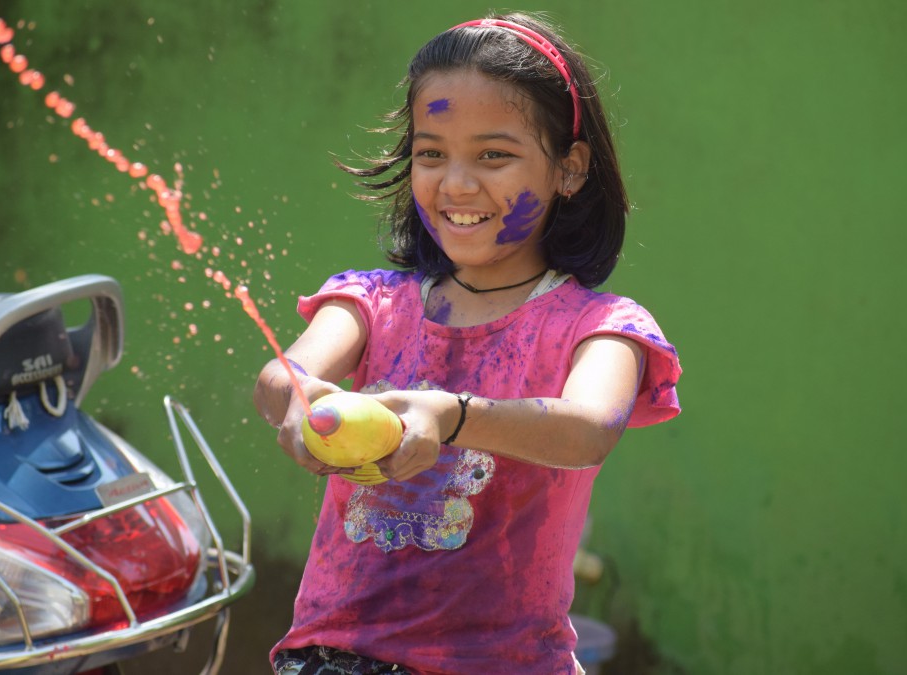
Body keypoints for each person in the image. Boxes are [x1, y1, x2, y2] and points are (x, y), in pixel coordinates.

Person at [253, 12, 681, 675]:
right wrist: (303, 401)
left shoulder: (603, 327)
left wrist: (449, 417)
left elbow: (587, 430)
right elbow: (283, 376)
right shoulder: (369, 301)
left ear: (569, 170)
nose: (455, 182)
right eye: (432, 153)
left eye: (493, 154)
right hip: (336, 656)